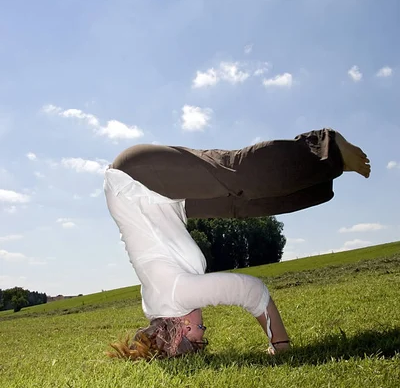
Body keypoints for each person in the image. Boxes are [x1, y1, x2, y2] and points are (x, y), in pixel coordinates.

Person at [104, 128, 370, 361]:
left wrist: (279, 343)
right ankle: (325, 171)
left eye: (199, 332)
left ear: (181, 329)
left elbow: (250, 291)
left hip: (137, 177)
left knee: (236, 174)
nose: (203, 326)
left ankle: (327, 144)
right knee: (240, 204)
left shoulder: (177, 296)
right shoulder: (158, 304)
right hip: (158, 196)